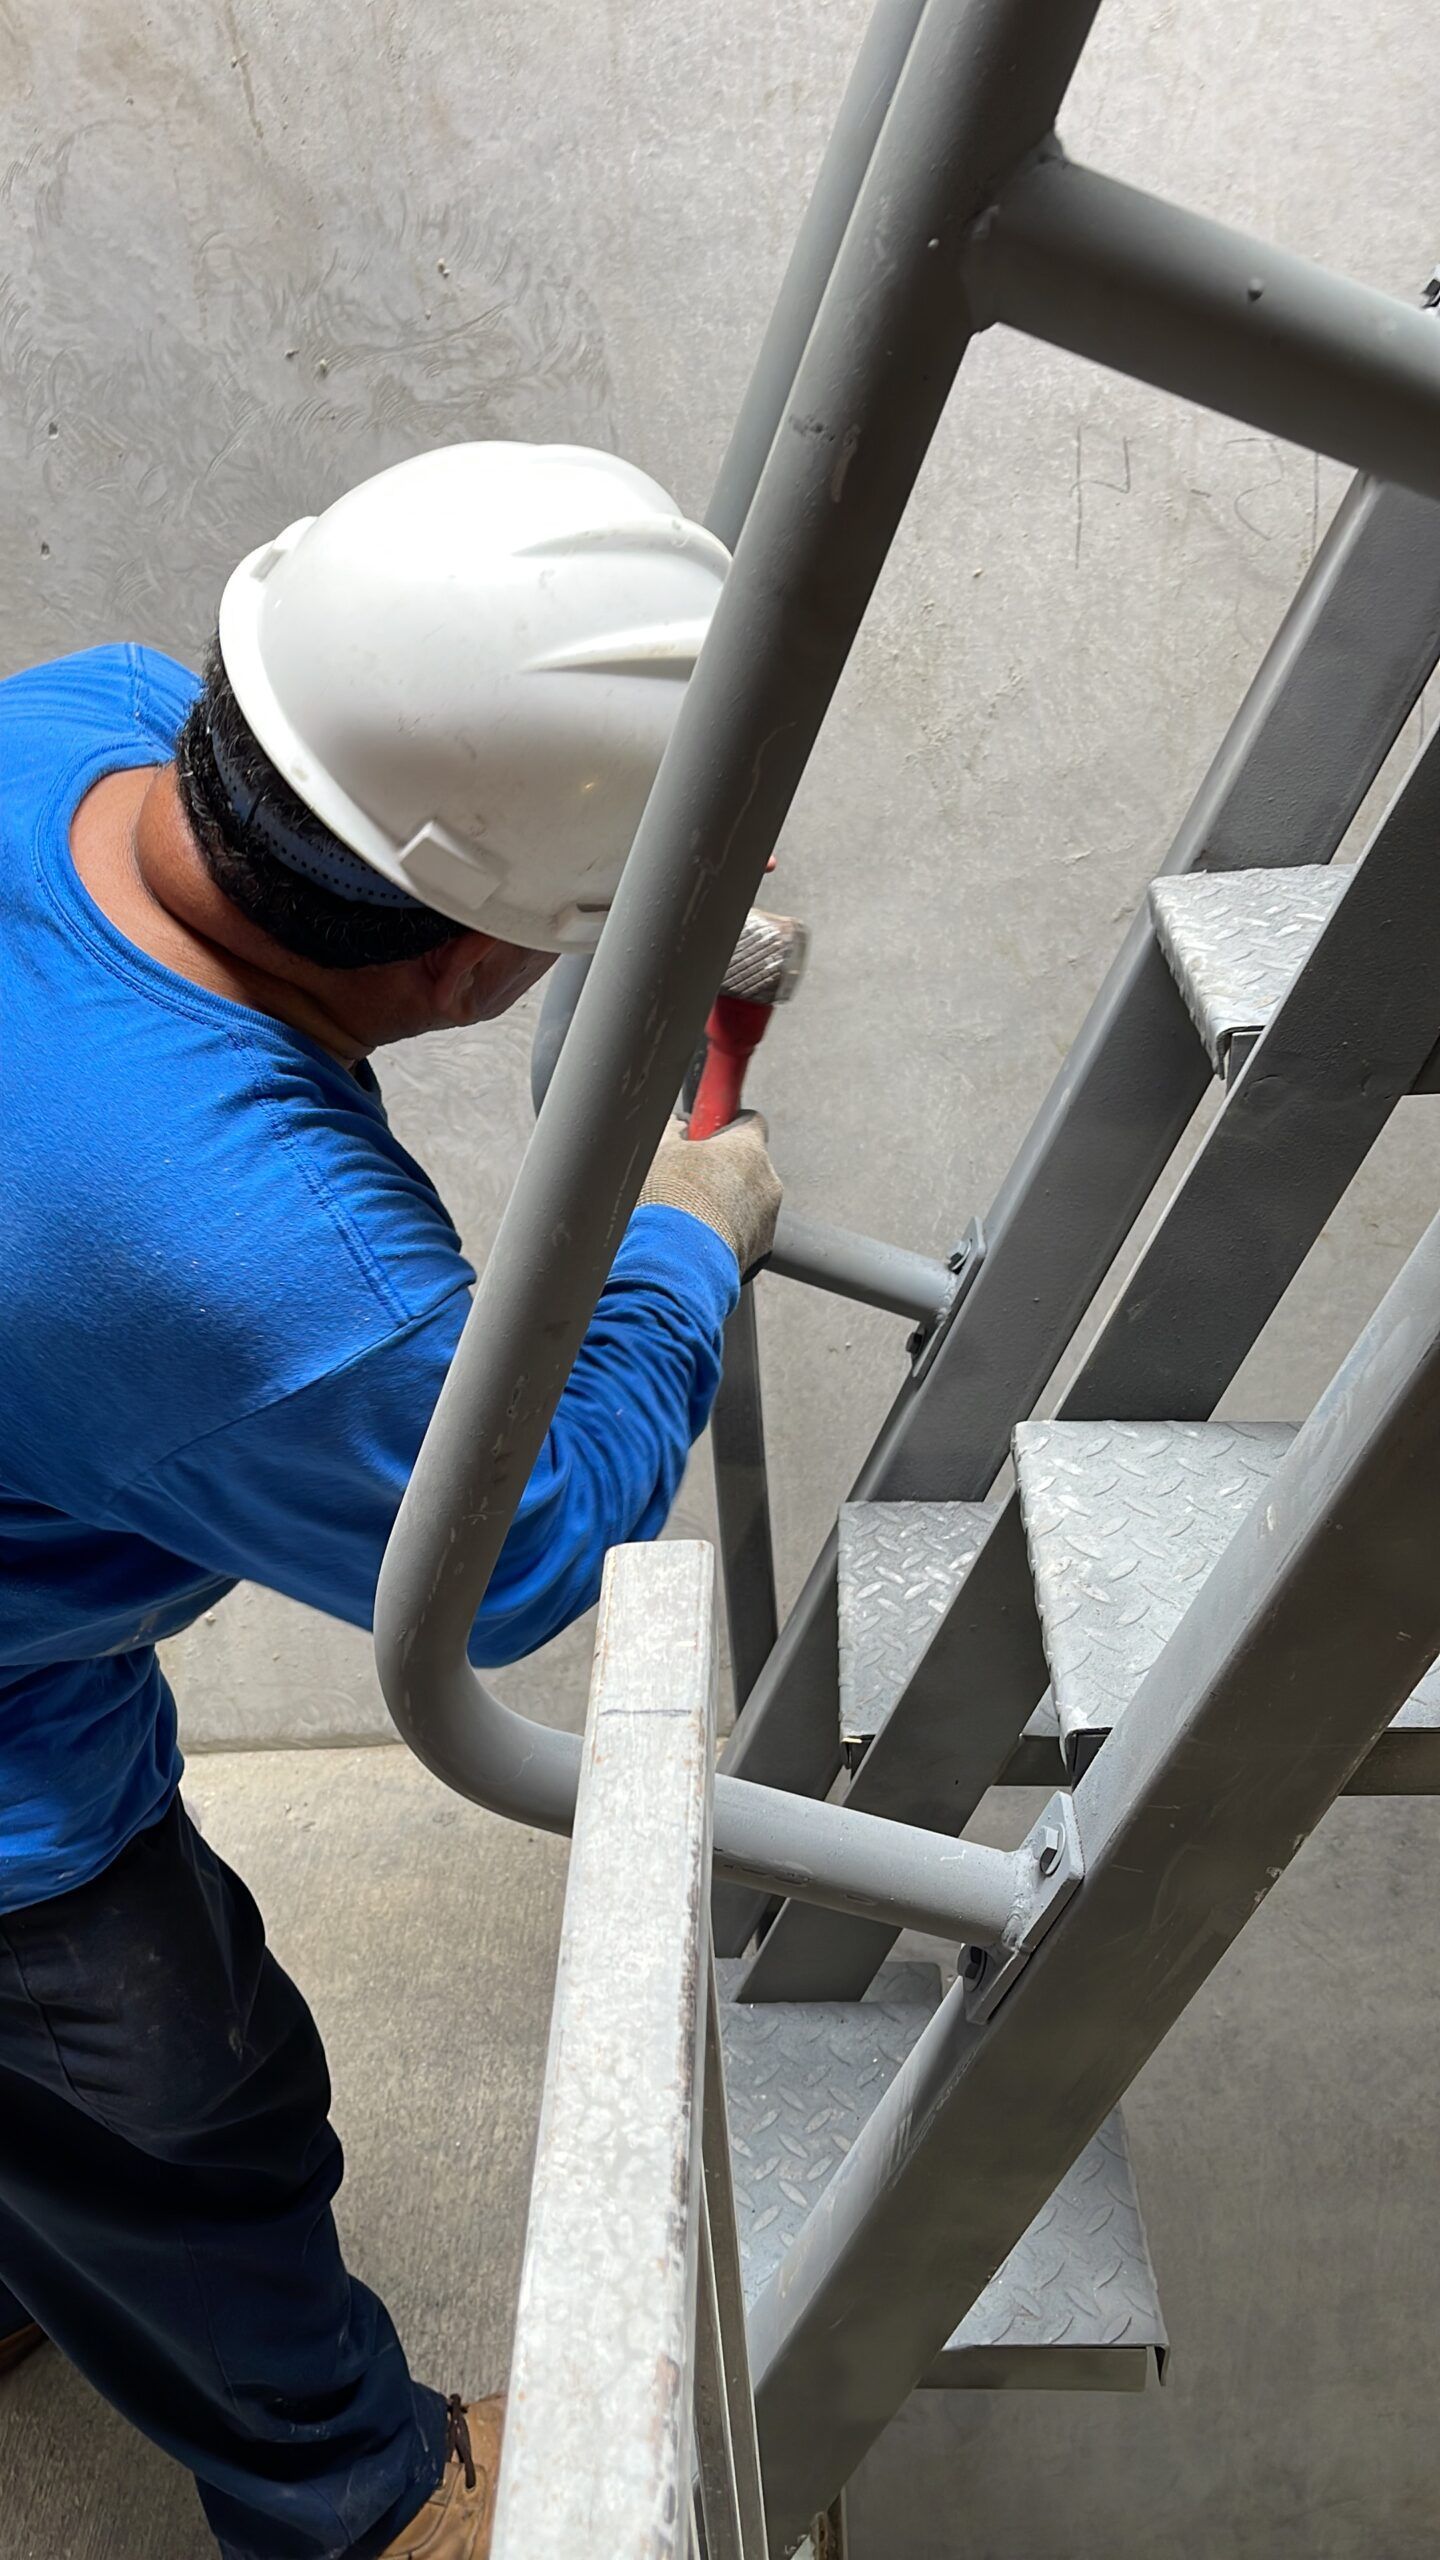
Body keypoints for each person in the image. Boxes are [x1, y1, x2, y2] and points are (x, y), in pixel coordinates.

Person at [0, 442, 782, 2560]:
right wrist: (686, 1235)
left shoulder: (72, 718)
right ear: (474, 964)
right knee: (188, 2108)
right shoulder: (254, 1264)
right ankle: (363, 2497)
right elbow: (511, 1541)